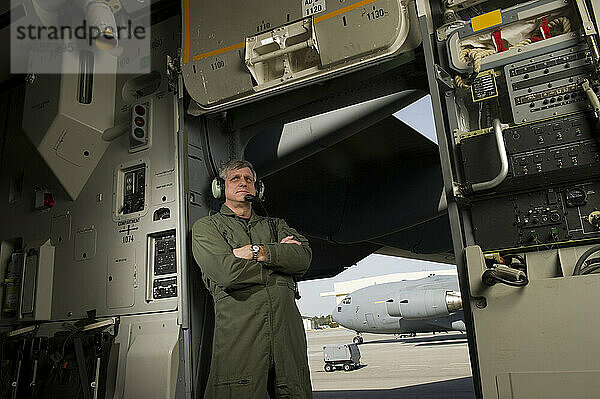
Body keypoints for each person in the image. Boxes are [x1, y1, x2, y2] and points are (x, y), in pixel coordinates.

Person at [192, 159, 313, 398]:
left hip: (287, 334)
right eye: (235, 179)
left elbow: (303, 257)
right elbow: (226, 273)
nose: (243, 183)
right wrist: (277, 261)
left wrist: (257, 251)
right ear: (221, 187)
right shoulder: (207, 227)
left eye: (248, 179)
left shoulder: (276, 225)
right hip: (241, 334)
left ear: (258, 188)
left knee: (295, 390)